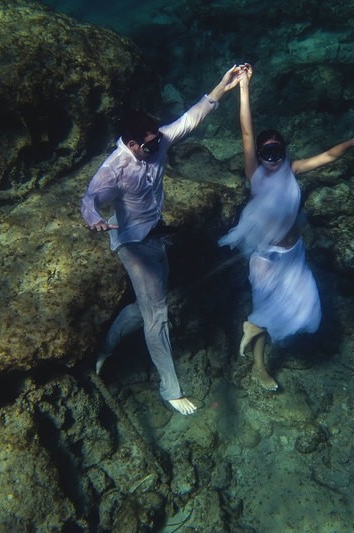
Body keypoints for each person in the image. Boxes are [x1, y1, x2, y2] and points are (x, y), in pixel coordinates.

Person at [81, 66, 243, 415]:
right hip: (133, 246)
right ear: (133, 144)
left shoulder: (158, 141)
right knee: (158, 315)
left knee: (144, 308)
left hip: (156, 236)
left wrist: (223, 85)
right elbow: (90, 198)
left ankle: (106, 346)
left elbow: (191, 118)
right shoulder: (114, 170)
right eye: (151, 144)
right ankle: (170, 389)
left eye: (158, 140)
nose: (158, 147)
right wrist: (93, 219)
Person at [219, 64, 354, 391]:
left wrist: (352, 142)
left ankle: (255, 327)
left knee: (307, 307)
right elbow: (246, 130)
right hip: (266, 260)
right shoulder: (255, 173)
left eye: (277, 151)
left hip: (293, 255)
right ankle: (260, 366)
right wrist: (244, 87)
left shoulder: (293, 169)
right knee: (265, 311)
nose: (272, 158)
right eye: (266, 153)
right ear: (258, 155)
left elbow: (328, 156)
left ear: (284, 151)